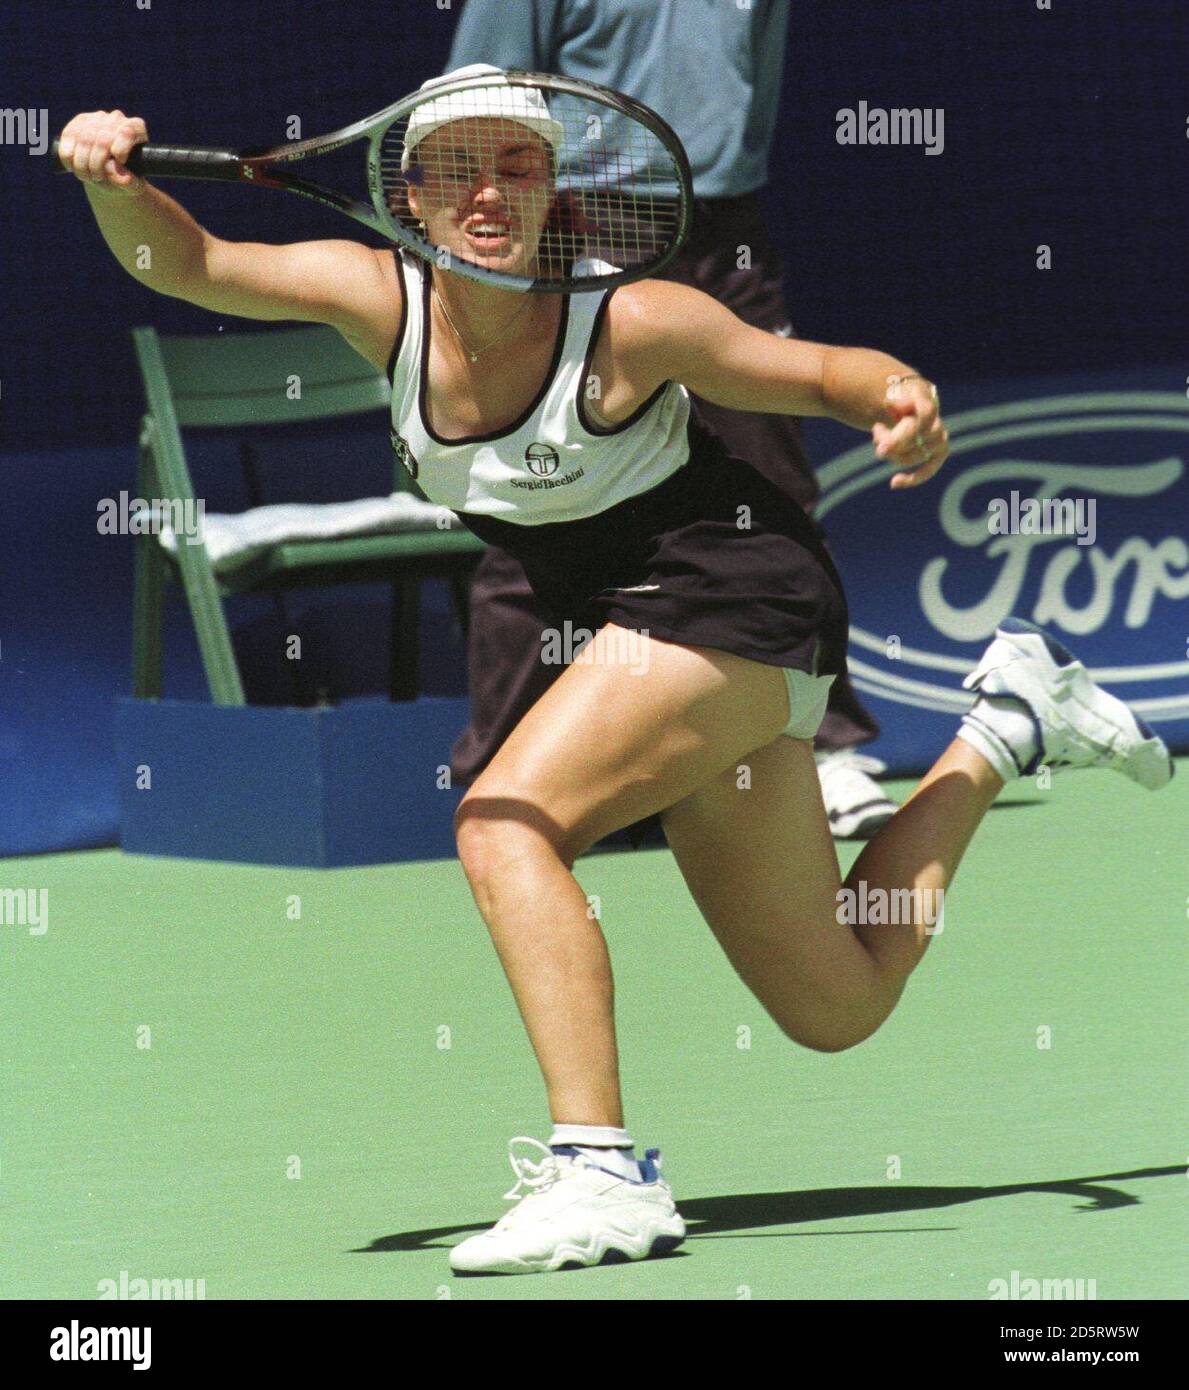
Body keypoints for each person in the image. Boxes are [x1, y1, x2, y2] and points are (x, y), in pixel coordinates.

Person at [57, 81, 1171, 1277]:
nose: (490, 193)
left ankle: (602, 1171)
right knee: (838, 1002)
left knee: (501, 823)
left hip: (739, 598)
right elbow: (193, 263)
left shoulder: (631, 321)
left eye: (520, 169)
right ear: (413, 195)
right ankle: (1009, 719)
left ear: (553, 194)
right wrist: (108, 181)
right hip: (655, 632)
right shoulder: (377, 297)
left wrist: (898, 402)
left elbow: (817, 371)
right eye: (461, 170)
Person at [446, 0, 898, 841]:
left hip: (722, 228)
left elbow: (747, 89)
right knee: (535, 499)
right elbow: (473, 96)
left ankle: (819, 746)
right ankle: (501, 778)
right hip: (577, 218)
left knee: (775, 483)